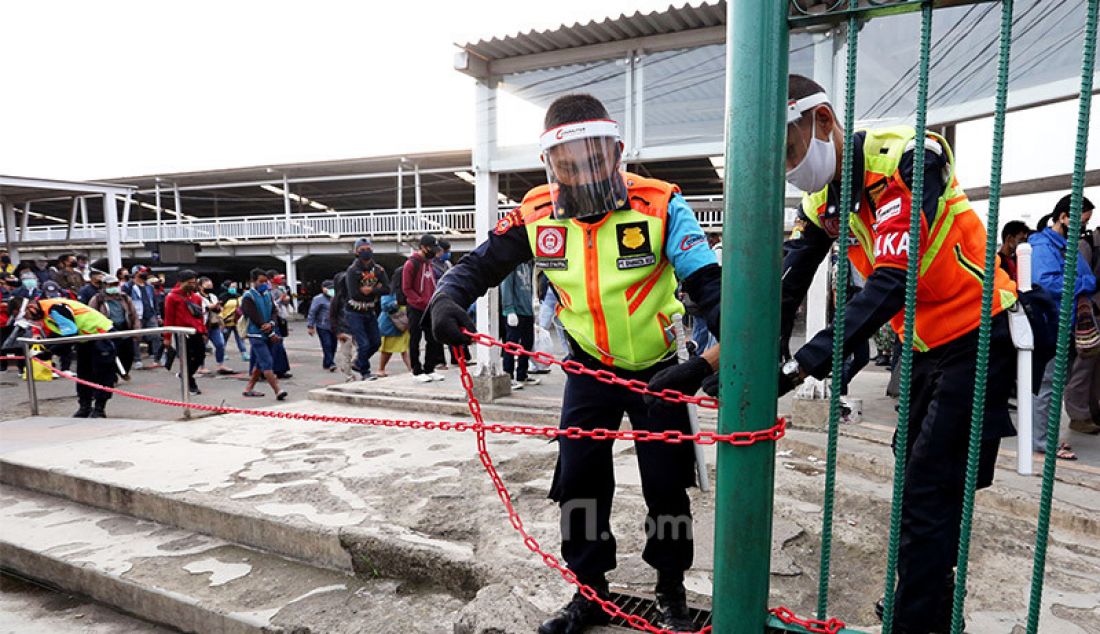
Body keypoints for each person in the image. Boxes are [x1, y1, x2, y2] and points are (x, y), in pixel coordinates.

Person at [650, 75, 1024, 634]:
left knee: (931, 488)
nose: (789, 167)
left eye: (790, 150)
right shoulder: (823, 199)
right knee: (916, 476)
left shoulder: (905, 160)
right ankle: (927, 596)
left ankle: (920, 618)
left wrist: (803, 365)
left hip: (979, 336)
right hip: (925, 348)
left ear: (822, 121)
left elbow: (893, 280)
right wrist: (727, 362)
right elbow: (787, 287)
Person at [429, 94, 722, 633]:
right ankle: (591, 592)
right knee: (581, 482)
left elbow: (710, 282)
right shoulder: (536, 213)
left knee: (667, 486)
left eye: (595, 159)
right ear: (551, 165)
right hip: (589, 369)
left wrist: (720, 357)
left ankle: (671, 589)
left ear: (617, 152)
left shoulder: (660, 205)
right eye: (569, 164)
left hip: (661, 369)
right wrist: (447, 298)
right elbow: (477, 265)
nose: (584, 172)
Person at [1029, 194, 1097, 457]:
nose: (1082, 229)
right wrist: (1080, 284)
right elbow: (1046, 283)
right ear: (1063, 217)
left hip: (1065, 325)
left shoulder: (1066, 246)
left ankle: (1046, 438)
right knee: (1047, 386)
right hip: (1050, 325)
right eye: (1080, 223)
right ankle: (1043, 443)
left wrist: (1079, 283)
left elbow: (1089, 277)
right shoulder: (1043, 246)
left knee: (1054, 386)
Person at [25, 297, 117, 418]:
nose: (31, 320)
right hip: (84, 339)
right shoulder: (47, 312)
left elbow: (69, 334)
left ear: (32, 308)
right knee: (84, 374)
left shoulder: (54, 308)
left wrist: (50, 352)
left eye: (28, 316)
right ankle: (85, 407)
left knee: (103, 374)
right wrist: (47, 350)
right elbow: (59, 333)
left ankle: (100, 408)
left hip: (101, 335)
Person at [1067, 196, 1100, 432]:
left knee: (1095, 368)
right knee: (1085, 365)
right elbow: (1079, 281)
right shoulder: (1087, 244)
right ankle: (1078, 415)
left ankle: (1092, 410)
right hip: (1091, 314)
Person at [344, 238, 390, 380]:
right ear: (356, 252)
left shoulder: (378, 269)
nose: (366, 251)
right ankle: (365, 372)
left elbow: (387, 289)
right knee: (363, 344)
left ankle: (358, 362)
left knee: (376, 342)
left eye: (368, 248)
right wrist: (376, 288)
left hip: (370, 310)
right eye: (362, 249)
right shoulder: (353, 270)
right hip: (354, 311)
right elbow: (354, 293)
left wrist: (370, 291)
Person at [240, 268, 287, 400]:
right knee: (267, 362)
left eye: (266, 282)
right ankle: (278, 390)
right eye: (261, 282)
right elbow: (253, 316)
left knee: (260, 363)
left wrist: (271, 324)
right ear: (253, 281)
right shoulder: (248, 297)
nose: (264, 284)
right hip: (256, 334)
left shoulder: (268, 294)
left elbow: (273, 310)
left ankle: (249, 388)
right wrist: (268, 329)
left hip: (269, 331)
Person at [404, 234, 445, 383]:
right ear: (423, 247)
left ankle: (430, 368)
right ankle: (417, 370)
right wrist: (420, 301)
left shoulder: (429, 263)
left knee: (433, 338)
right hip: (415, 307)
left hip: (429, 306)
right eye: (431, 248)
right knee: (415, 339)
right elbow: (406, 288)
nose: (434, 251)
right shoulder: (411, 264)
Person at [163, 270, 208, 395]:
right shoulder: (172, 297)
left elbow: (200, 316)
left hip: (196, 331)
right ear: (181, 282)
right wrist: (167, 337)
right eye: (190, 282)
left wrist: (203, 331)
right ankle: (190, 382)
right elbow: (169, 318)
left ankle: (186, 375)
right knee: (186, 358)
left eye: (194, 282)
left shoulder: (196, 297)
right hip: (182, 332)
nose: (193, 285)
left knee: (200, 356)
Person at [88, 275, 139, 378]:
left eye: (116, 284)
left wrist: (137, 329)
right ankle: (113, 375)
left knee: (128, 353)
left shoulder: (124, 297)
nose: (114, 287)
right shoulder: (98, 299)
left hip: (124, 328)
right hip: (108, 330)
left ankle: (123, 371)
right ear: (104, 286)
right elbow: (91, 315)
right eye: (111, 285)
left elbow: (133, 314)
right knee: (111, 354)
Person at [500, 260, 539, 390]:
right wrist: (509, 309)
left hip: (527, 310)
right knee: (511, 344)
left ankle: (522, 373)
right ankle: (508, 374)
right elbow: (506, 287)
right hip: (515, 311)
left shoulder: (529, 264)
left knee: (528, 343)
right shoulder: (511, 264)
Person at [198, 276, 234, 375]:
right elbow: (200, 309)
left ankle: (220, 364)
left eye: (211, 286)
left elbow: (218, 310)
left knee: (220, 344)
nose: (209, 287)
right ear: (200, 286)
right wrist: (210, 307)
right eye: (207, 286)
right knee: (201, 347)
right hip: (203, 325)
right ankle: (201, 366)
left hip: (214, 324)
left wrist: (219, 316)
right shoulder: (197, 297)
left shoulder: (213, 296)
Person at [330, 271, 359, 382]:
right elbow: (332, 317)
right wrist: (337, 332)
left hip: (356, 328)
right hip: (343, 330)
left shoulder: (354, 296)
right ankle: (349, 376)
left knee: (362, 349)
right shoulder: (336, 299)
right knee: (346, 354)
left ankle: (352, 364)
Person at [130, 270, 162, 368]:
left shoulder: (149, 287)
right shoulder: (130, 287)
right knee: (136, 338)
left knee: (156, 336)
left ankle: (158, 358)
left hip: (150, 314)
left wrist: (158, 315)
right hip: (137, 315)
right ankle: (137, 360)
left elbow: (154, 301)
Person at [377, 289, 411, 377]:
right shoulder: (389, 291)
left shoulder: (405, 289)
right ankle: (381, 369)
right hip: (391, 325)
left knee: (404, 349)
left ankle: (412, 368)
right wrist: (397, 302)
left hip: (403, 323)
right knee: (387, 350)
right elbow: (384, 306)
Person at [307, 280, 338, 372]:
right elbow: (312, 312)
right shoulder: (318, 299)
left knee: (333, 345)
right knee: (327, 344)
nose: (331, 290)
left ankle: (327, 362)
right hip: (322, 325)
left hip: (334, 326)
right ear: (323, 289)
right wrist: (310, 326)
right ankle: (331, 363)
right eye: (328, 289)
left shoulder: (336, 298)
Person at [220, 281, 249, 362]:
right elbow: (220, 309)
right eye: (232, 287)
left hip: (237, 321)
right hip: (226, 321)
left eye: (235, 287)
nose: (234, 289)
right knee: (224, 339)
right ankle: (222, 353)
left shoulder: (238, 296)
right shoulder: (222, 297)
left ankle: (244, 353)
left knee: (240, 338)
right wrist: (221, 320)